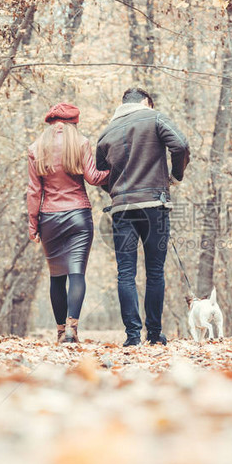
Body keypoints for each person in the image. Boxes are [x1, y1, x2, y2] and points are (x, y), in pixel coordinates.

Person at [96, 87, 190, 346]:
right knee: (155, 272)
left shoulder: (106, 132)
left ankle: (132, 337)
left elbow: (102, 174)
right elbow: (180, 145)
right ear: (147, 102)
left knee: (125, 273)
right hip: (153, 205)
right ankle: (155, 335)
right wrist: (175, 177)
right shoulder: (154, 117)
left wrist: (116, 192)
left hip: (121, 209)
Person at [27, 102, 109, 343]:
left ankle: (61, 332)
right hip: (78, 216)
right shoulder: (80, 143)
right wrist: (117, 171)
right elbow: (94, 178)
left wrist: (33, 224)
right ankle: (73, 327)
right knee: (76, 273)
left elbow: (34, 191)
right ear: (74, 123)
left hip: (49, 218)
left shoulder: (36, 148)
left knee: (56, 277)